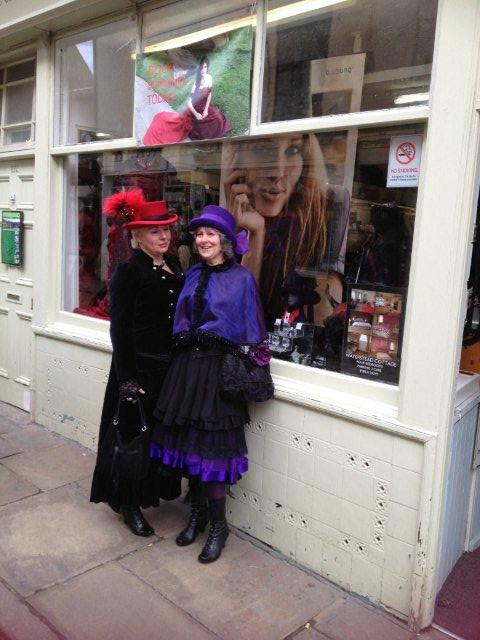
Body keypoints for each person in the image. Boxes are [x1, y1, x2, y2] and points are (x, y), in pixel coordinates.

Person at [150, 205, 269, 563]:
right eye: (199, 233)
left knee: (212, 455)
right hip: (186, 370)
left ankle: (219, 526)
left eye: (211, 234)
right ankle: (197, 516)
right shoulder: (191, 273)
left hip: (218, 375)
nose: (203, 239)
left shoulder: (242, 279)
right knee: (189, 451)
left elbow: (251, 326)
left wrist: (252, 364)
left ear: (226, 241)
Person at [90, 188, 184, 537]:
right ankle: (128, 504)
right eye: (154, 231)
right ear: (136, 236)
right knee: (131, 437)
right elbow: (120, 329)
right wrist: (128, 379)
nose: (163, 236)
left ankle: (140, 495)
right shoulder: (129, 272)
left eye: (166, 230)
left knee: (154, 436)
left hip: (166, 367)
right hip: (137, 369)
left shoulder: (174, 265)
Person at [222, 134, 350, 331]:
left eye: (292, 151)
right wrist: (255, 232)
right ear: (238, 161)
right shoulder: (234, 223)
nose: (277, 172)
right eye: (263, 151)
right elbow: (239, 314)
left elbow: (322, 320)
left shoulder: (320, 218)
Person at [142, 57, 232, 146]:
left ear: (207, 68)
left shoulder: (209, 78)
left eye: (205, 67)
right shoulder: (196, 84)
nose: (203, 70)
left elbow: (209, 93)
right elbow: (189, 102)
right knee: (203, 130)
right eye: (202, 67)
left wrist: (206, 109)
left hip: (205, 107)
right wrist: (196, 114)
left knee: (218, 118)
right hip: (194, 109)